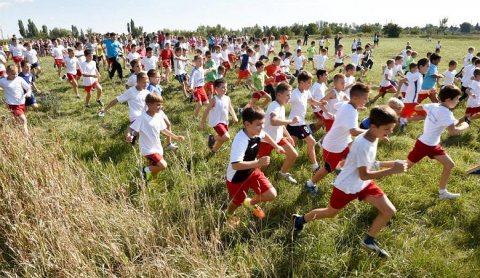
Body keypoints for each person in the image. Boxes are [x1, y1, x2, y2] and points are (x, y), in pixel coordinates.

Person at [293, 106, 407, 258]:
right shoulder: (363, 144)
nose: (390, 133)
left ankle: (369, 240)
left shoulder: (373, 137)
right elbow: (364, 174)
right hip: (346, 186)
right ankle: (300, 220)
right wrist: (393, 169)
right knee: (331, 213)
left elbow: (369, 163)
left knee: (389, 211)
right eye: (387, 129)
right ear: (374, 126)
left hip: (364, 185)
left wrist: (392, 163)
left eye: (391, 128)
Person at [406, 85, 469, 199]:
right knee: (405, 166)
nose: (458, 101)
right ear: (449, 100)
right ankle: (377, 165)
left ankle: (442, 193)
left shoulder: (434, 105)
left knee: (449, 164)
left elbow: (418, 108)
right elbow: (452, 132)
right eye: (457, 99)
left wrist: (429, 111)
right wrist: (465, 125)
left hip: (431, 144)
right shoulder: (446, 113)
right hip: (425, 145)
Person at [225, 106, 285, 225]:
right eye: (258, 124)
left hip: (252, 171)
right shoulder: (241, 140)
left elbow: (265, 135)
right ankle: (228, 215)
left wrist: (276, 146)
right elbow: (236, 165)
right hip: (237, 178)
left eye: (263, 123)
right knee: (236, 202)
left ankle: (250, 203)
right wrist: (258, 163)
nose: (262, 127)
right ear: (247, 124)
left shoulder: (256, 132)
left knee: (271, 194)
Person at [305, 83, 369, 194]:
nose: (366, 101)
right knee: (328, 168)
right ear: (355, 98)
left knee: (350, 156)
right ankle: (310, 183)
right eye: (365, 98)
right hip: (333, 146)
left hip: (343, 142)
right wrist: (371, 132)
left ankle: (339, 170)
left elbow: (336, 106)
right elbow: (353, 131)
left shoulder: (346, 104)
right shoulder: (351, 111)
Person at [126, 93, 185, 181]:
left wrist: (176, 137)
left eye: (161, 104)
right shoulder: (142, 118)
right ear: (149, 104)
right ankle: (144, 170)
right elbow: (130, 127)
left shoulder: (158, 116)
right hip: (147, 149)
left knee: (154, 168)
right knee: (163, 165)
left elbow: (164, 130)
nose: (160, 107)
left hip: (157, 148)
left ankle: (147, 180)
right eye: (158, 104)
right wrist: (128, 135)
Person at [286, 71, 324, 172]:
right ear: (301, 82)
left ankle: (285, 162)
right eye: (308, 82)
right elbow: (284, 102)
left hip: (297, 124)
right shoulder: (294, 94)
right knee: (311, 142)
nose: (310, 84)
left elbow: (311, 101)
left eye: (310, 82)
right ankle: (316, 167)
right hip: (296, 124)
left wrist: (320, 104)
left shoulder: (306, 92)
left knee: (291, 146)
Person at [200, 78, 238, 155]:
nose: (225, 89)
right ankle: (212, 138)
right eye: (222, 87)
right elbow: (206, 110)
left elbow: (230, 107)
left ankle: (213, 151)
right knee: (226, 137)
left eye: (226, 87)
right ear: (216, 89)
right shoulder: (214, 99)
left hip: (225, 121)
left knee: (222, 139)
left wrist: (234, 116)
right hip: (217, 122)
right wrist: (202, 122)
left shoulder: (227, 98)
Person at [398, 60, 429, 132]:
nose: (428, 68)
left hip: (410, 102)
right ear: (421, 66)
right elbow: (401, 80)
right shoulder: (417, 75)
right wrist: (397, 93)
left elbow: (418, 91)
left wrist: (428, 91)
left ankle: (403, 120)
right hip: (411, 103)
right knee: (425, 115)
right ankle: (404, 120)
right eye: (427, 66)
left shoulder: (420, 76)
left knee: (396, 121)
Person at [0, 64, 31, 134]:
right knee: (24, 120)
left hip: (22, 103)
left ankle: (15, 131)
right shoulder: (3, 81)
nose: (15, 75)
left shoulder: (19, 79)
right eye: (13, 74)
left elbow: (28, 87)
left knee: (17, 120)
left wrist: (28, 93)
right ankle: (27, 138)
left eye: (16, 73)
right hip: (12, 105)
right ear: (7, 73)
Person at [189, 55, 209, 119]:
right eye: (199, 61)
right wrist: (191, 88)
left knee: (207, 103)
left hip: (202, 88)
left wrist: (209, 69)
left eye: (202, 61)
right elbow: (191, 80)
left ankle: (212, 115)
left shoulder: (201, 68)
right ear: (195, 61)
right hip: (196, 89)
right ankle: (195, 117)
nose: (201, 62)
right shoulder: (194, 71)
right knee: (199, 104)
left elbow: (203, 71)